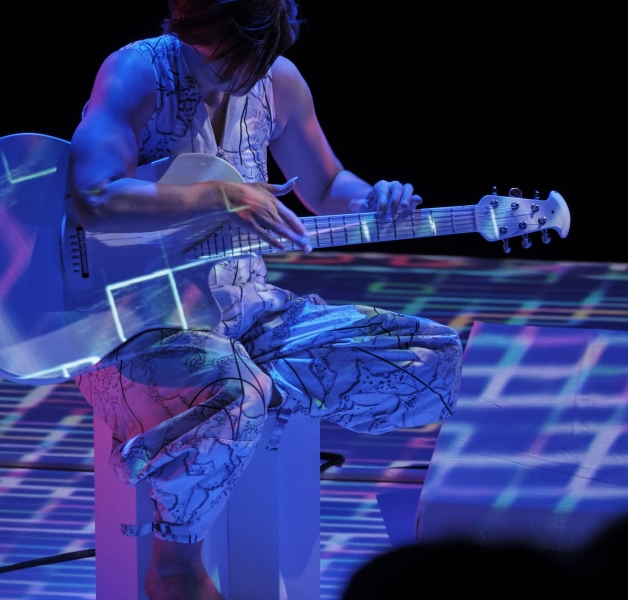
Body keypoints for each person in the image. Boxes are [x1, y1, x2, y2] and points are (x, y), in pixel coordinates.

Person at [69, 1, 462, 597]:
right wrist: (220, 196)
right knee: (234, 392)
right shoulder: (138, 73)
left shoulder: (277, 81)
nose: (247, 72)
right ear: (196, 24)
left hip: (248, 314)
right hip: (135, 328)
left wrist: (376, 198)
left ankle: (253, 396)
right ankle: (175, 562)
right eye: (233, 53)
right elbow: (92, 198)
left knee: (433, 354)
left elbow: (327, 187)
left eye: (262, 54)